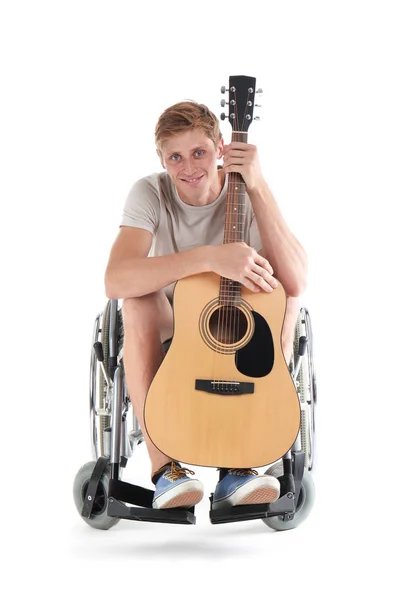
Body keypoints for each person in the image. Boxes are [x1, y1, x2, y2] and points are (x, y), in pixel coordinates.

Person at [104, 101, 308, 511]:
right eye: (174, 157)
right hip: (175, 323)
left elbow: (297, 282)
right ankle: (166, 472)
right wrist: (208, 258)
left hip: (238, 334)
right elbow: (115, 279)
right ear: (161, 160)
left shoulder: (245, 195)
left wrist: (259, 184)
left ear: (220, 148)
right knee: (137, 301)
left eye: (198, 152)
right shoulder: (151, 193)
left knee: (284, 299)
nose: (188, 167)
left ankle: (242, 467)